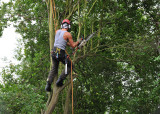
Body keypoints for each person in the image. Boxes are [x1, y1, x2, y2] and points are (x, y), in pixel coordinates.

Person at [45, 19, 82, 92]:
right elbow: (73, 46)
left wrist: (73, 43)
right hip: (61, 53)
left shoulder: (57, 31)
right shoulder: (68, 34)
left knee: (54, 68)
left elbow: (63, 41)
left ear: (62, 25)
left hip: (54, 52)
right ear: (68, 26)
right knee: (69, 65)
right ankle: (60, 80)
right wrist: (78, 41)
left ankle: (48, 84)